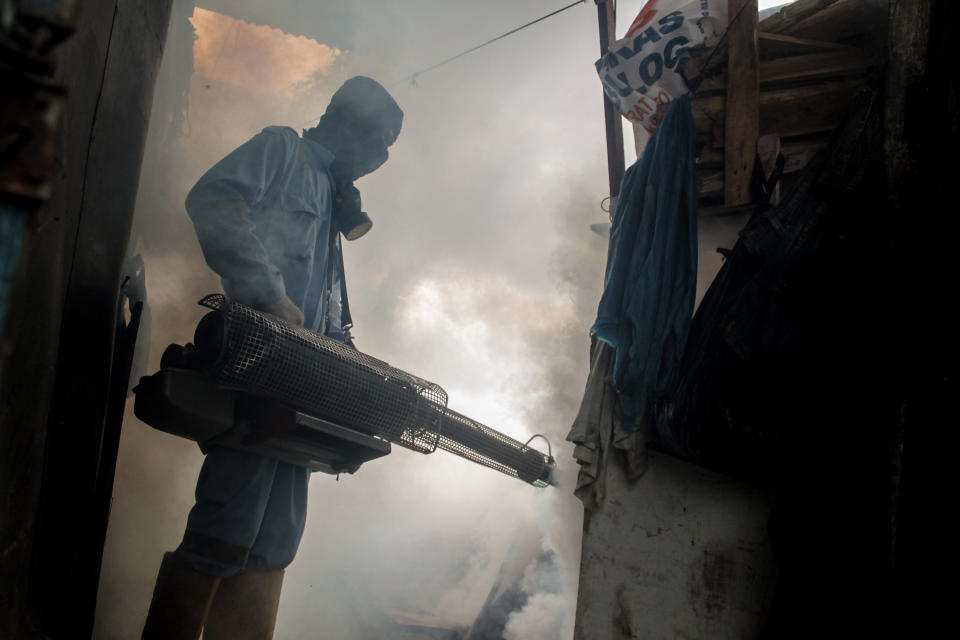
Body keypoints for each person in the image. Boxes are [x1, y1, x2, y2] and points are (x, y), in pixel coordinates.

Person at [142, 76, 403, 640]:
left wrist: (351, 370)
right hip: (258, 374)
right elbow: (212, 199)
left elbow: (327, 303)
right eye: (379, 143)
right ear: (347, 123)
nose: (379, 160)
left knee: (277, 540)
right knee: (224, 528)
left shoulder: (333, 197)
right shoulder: (283, 150)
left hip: (302, 390)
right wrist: (267, 293)